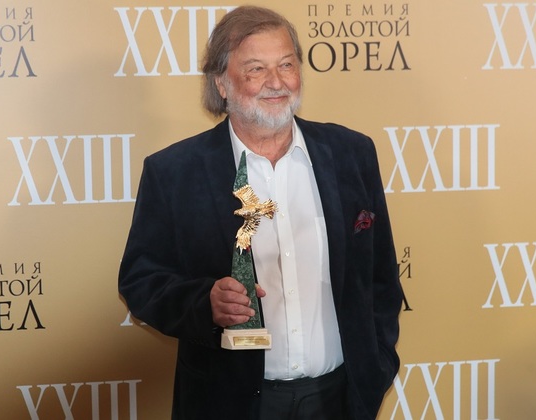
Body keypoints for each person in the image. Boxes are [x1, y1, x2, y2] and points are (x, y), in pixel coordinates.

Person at [118, 5, 402, 420]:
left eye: (286, 65)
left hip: (340, 399)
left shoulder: (351, 154)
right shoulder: (174, 172)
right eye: (256, 69)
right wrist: (205, 303)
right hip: (228, 404)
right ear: (221, 83)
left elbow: (381, 276)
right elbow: (141, 281)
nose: (276, 82)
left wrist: (376, 367)